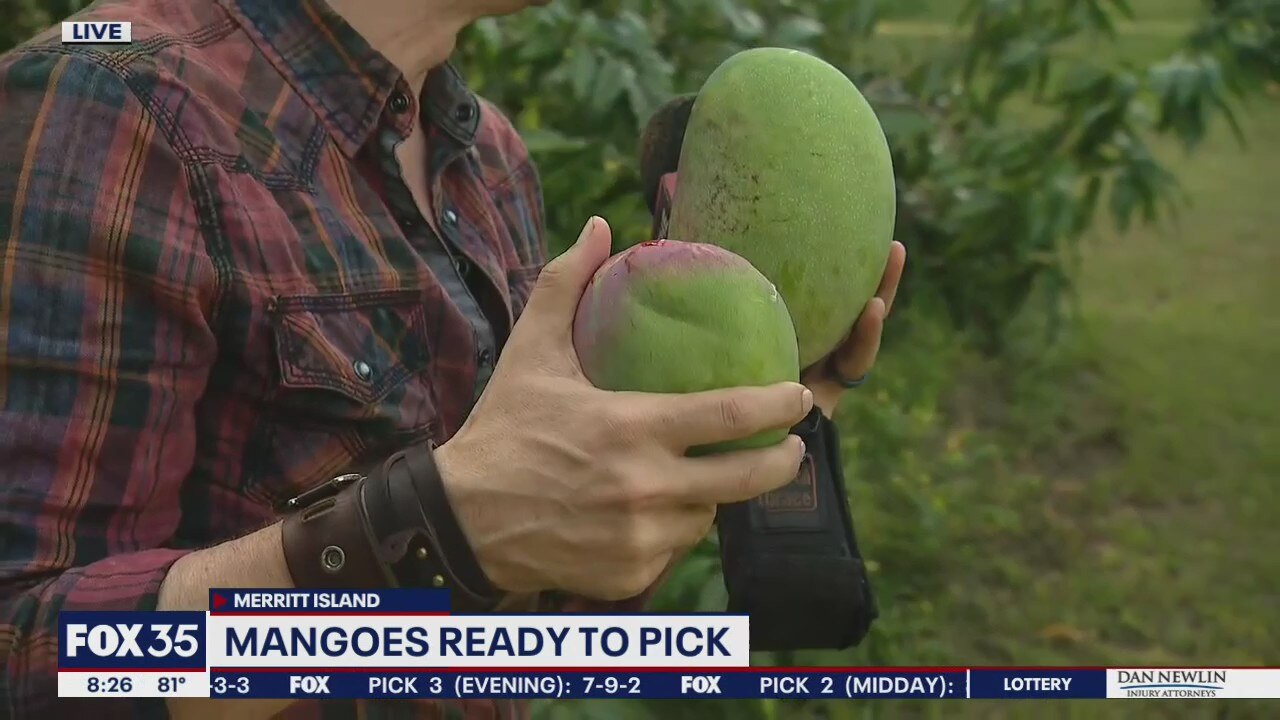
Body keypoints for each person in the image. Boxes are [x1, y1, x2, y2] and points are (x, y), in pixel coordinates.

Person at [0, 0, 907, 717]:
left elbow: (514, 613)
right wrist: (421, 532)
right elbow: (29, 656)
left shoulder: (489, 160)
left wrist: (716, 430)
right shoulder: (110, 99)